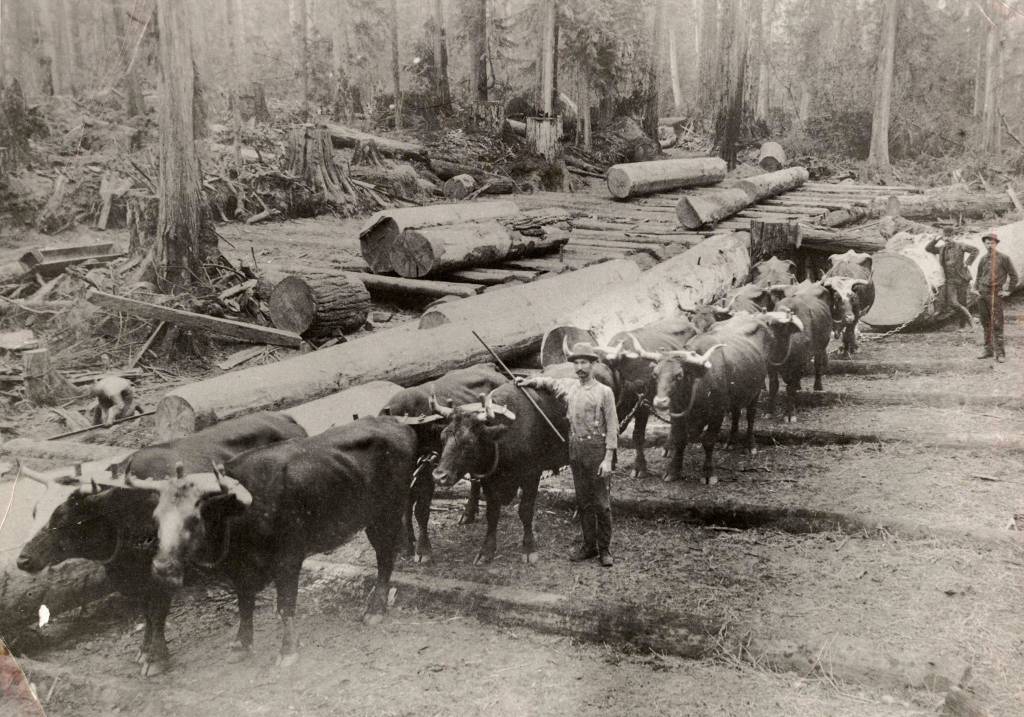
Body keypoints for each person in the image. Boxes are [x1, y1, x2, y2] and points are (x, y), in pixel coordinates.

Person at [515, 343, 618, 567]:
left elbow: (612, 427)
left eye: (584, 363)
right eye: (576, 363)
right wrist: (528, 381)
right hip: (575, 451)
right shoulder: (571, 387)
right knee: (583, 502)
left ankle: (605, 549)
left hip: (597, 451)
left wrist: (608, 458)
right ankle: (589, 546)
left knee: (601, 503)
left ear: (593, 365)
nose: (580, 367)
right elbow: (550, 383)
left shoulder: (605, 392)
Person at [975, 232, 1018, 362]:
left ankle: (1000, 353)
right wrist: (976, 289)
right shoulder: (983, 259)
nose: (989, 245)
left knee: (997, 323)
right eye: (987, 243)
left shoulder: (1004, 258)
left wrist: (1008, 291)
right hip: (982, 294)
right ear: (984, 244)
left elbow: (1014, 276)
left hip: (995, 294)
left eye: (992, 243)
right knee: (985, 323)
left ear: (996, 244)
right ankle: (988, 350)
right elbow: (979, 276)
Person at [925, 230, 979, 329]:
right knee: (953, 302)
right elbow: (928, 248)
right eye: (945, 236)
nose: (947, 238)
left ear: (953, 236)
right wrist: (936, 239)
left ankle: (963, 326)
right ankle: (971, 320)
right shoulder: (942, 248)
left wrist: (968, 262)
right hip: (950, 280)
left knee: (962, 302)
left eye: (949, 236)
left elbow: (975, 250)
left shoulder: (960, 246)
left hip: (962, 278)